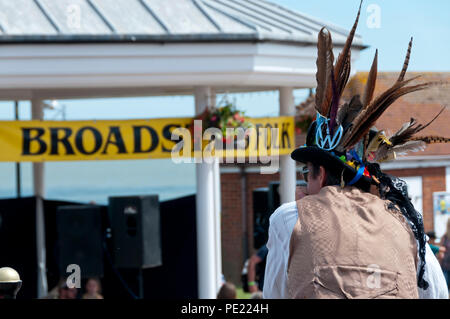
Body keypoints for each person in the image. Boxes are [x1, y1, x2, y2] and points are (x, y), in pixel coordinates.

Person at [264, 3, 449, 299]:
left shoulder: (289, 218)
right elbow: (437, 294)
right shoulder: (406, 222)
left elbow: (274, 295)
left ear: (321, 173)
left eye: (305, 175)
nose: (304, 187)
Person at [441, 219, 450, 290]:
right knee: (445, 288)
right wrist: (441, 254)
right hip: (446, 266)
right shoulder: (445, 237)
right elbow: (441, 250)